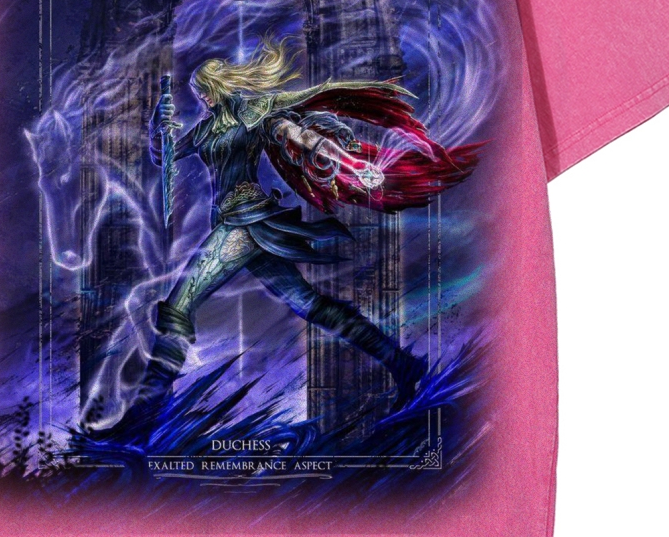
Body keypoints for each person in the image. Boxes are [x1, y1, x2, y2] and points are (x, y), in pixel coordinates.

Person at [124, 37, 481, 429]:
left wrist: (350, 165)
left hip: (243, 222)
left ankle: (143, 418)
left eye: (204, 92)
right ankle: (404, 365)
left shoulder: (255, 112)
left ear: (218, 88)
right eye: (198, 95)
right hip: (238, 224)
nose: (202, 100)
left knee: (178, 308)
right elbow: (165, 157)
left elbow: (301, 137)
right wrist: (157, 126)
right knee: (308, 304)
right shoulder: (207, 129)